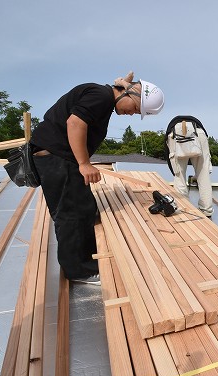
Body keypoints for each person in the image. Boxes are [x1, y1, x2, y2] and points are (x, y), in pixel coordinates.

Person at [30, 72, 165, 284]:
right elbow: (75, 123)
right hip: (58, 159)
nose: (132, 114)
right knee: (71, 213)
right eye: (136, 109)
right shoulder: (101, 96)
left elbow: (119, 89)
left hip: (61, 159)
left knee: (84, 208)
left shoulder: (103, 96)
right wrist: (84, 164)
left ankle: (88, 258)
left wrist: (124, 83)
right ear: (130, 94)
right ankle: (79, 271)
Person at [164, 115, 213, 217]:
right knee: (203, 175)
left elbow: (171, 164)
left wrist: (174, 170)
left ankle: (183, 208)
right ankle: (206, 210)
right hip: (198, 134)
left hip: (175, 134)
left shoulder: (172, 126)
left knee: (179, 175)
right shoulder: (199, 128)